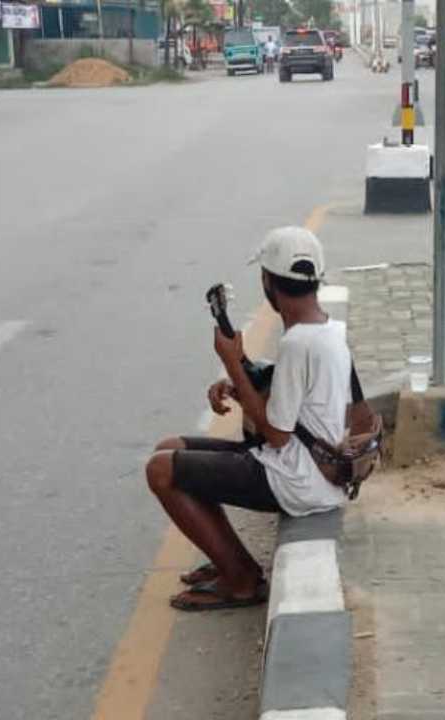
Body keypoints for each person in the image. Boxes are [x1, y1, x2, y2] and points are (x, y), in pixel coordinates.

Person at [146, 227, 351, 611]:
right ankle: (231, 560)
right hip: (309, 469)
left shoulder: (297, 342)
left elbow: (276, 434)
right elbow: (294, 397)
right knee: (170, 450)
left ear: (268, 283)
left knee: (161, 470)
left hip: (296, 479)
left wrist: (231, 362)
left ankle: (241, 581)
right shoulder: (327, 329)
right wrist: (240, 380)